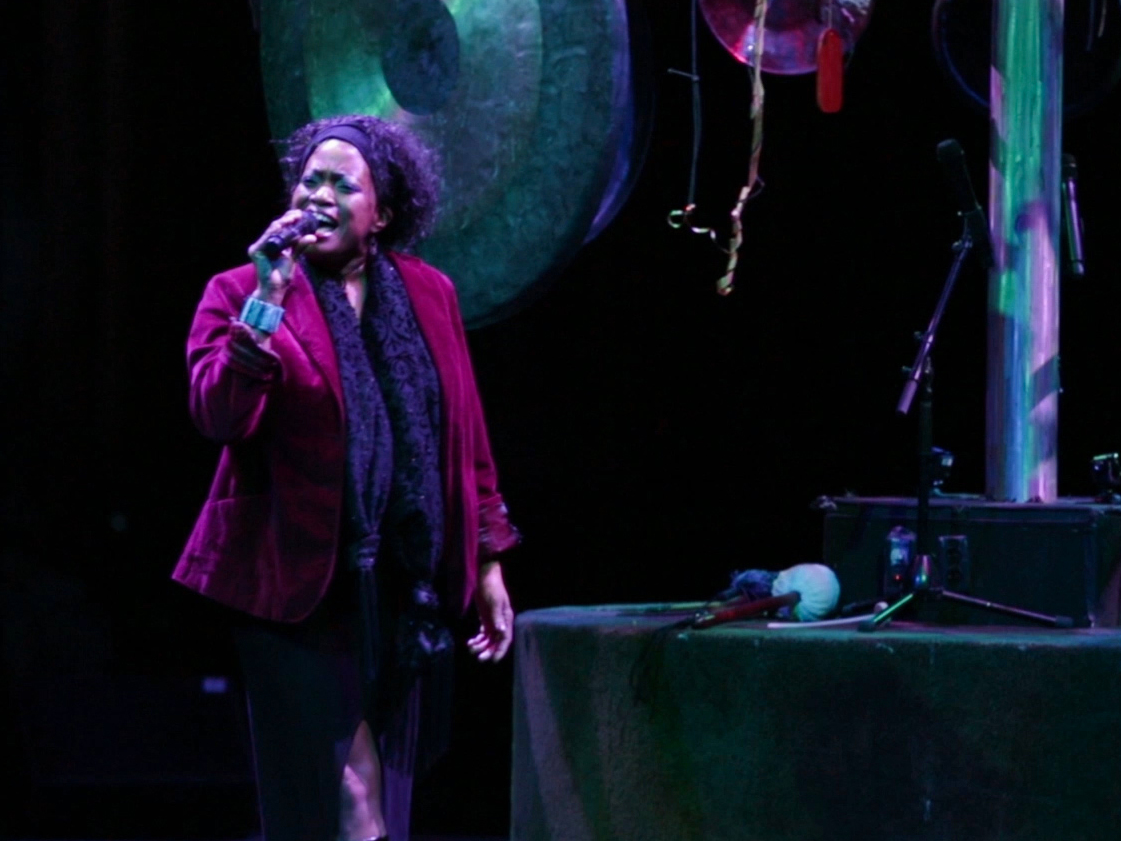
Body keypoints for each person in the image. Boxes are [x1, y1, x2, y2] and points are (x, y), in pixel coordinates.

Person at [172, 114, 521, 841]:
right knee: (341, 800)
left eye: (342, 184)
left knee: (382, 798)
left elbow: (464, 434)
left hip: (400, 588)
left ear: (381, 212)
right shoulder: (239, 291)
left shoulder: (429, 293)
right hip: (297, 590)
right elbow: (218, 415)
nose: (318, 196)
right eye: (309, 181)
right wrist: (268, 300)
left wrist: (489, 561)